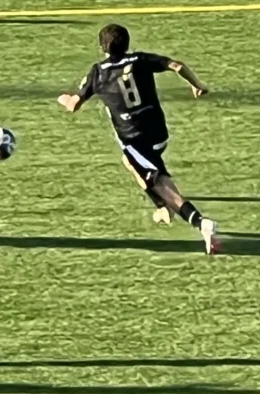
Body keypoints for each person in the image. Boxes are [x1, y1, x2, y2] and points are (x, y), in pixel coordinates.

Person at [57, 23, 220, 255]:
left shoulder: (98, 72)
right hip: (158, 133)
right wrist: (197, 86)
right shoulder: (140, 60)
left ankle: (199, 222)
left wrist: (63, 98)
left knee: (158, 181)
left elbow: (74, 105)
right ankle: (163, 209)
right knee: (135, 164)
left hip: (135, 140)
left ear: (101, 46)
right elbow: (177, 65)